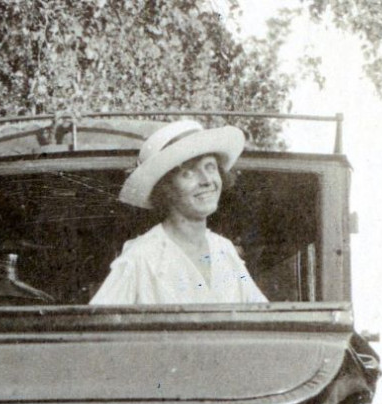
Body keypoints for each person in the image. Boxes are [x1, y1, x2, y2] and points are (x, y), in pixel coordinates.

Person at [91, 119, 267, 305]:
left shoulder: (224, 250)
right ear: (164, 188)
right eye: (188, 173)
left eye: (210, 167)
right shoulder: (141, 257)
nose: (207, 180)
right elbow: (97, 327)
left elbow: (263, 315)